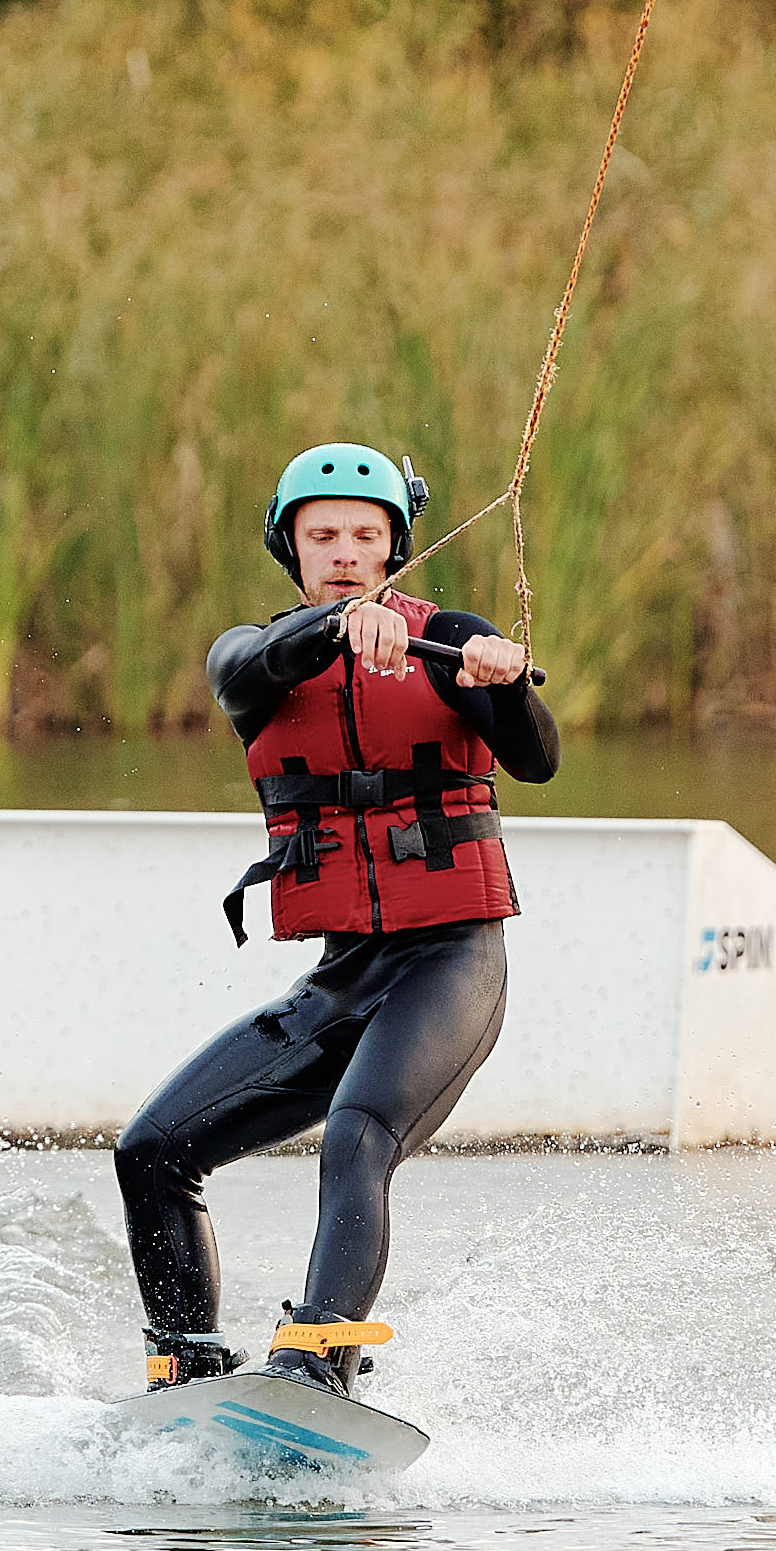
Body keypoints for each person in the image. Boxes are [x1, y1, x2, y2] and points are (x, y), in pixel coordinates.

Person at [114, 442, 558, 1397]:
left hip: (451, 964)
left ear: (396, 546)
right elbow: (264, 660)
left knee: (357, 1135)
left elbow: (537, 760)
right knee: (152, 1150)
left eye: (365, 535)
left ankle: (319, 1362)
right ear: (292, 548)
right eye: (323, 536)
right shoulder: (249, 659)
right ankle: (185, 1367)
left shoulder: (451, 641)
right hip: (343, 978)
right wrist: (342, 628)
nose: (346, 551)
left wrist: (502, 682)